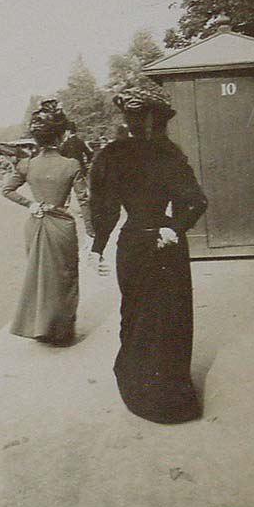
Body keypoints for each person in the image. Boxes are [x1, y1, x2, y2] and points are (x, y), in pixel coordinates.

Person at [89, 80, 208, 424]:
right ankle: (169, 392)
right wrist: (174, 228)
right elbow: (197, 202)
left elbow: (106, 210)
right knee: (170, 317)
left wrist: (97, 248)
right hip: (166, 245)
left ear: (128, 117)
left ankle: (137, 383)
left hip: (133, 245)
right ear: (159, 117)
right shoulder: (169, 153)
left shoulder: (111, 155)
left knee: (136, 313)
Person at [2, 108, 94, 346]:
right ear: (60, 136)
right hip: (62, 225)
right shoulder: (71, 164)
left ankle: (39, 327)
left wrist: (30, 203)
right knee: (65, 277)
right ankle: (62, 331)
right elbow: (84, 200)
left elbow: (6, 190)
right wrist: (93, 233)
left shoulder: (27, 165)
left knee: (40, 276)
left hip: (36, 222)